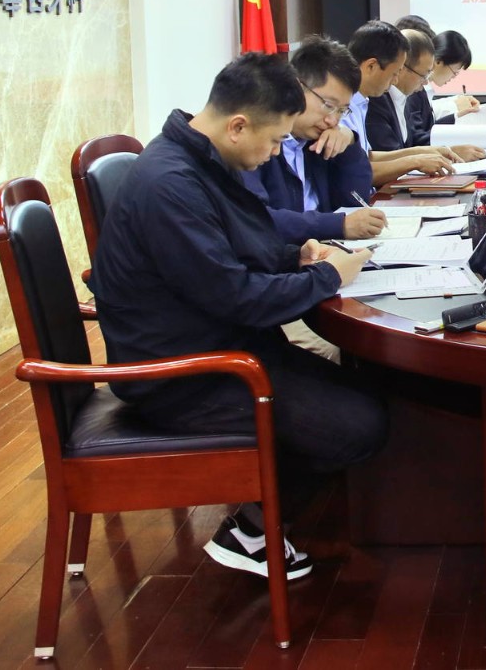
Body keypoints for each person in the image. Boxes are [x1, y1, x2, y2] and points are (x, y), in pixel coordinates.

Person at [91, 53, 388, 580]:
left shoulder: (200, 158)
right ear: (237, 126)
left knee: (371, 392)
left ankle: (262, 520)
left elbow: (235, 245)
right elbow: (235, 295)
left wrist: (295, 257)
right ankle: (251, 532)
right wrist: (327, 277)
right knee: (356, 424)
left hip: (222, 344)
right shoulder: (170, 183)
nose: (274, 153)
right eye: (273, 141)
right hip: (183, 374)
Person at [241, 35, 386, 245]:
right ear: (296, 88)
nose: (332, 120)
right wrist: (337, 225)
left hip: (324, 250)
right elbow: (258, 220)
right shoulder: (257, 141)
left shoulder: (318, 140)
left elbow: (354, 200)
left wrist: (349, 143)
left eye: (342, 111)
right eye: (328, 105)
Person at [313, 21, 454, 185]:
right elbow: (355, 171)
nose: (395, 81)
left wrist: (425, 153)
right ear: (371, 66)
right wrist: (415, 161)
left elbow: (367, 156)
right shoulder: (343, 105)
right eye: (394, 73)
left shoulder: (362, 101)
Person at [368, 27, 486, 160]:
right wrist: (449, 152)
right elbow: (393, 157)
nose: (425, 82)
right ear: (402, 67)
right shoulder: (377, 101)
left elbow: (413, 142)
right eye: (423, 75)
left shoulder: (403, 96)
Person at [409, 29, 479, 146]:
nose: (454, 77)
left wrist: (457, 116)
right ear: (438, 61)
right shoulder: (414, 90)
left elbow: (430, 127)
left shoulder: (424, 90)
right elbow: (419, 138)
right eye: (455, 71)